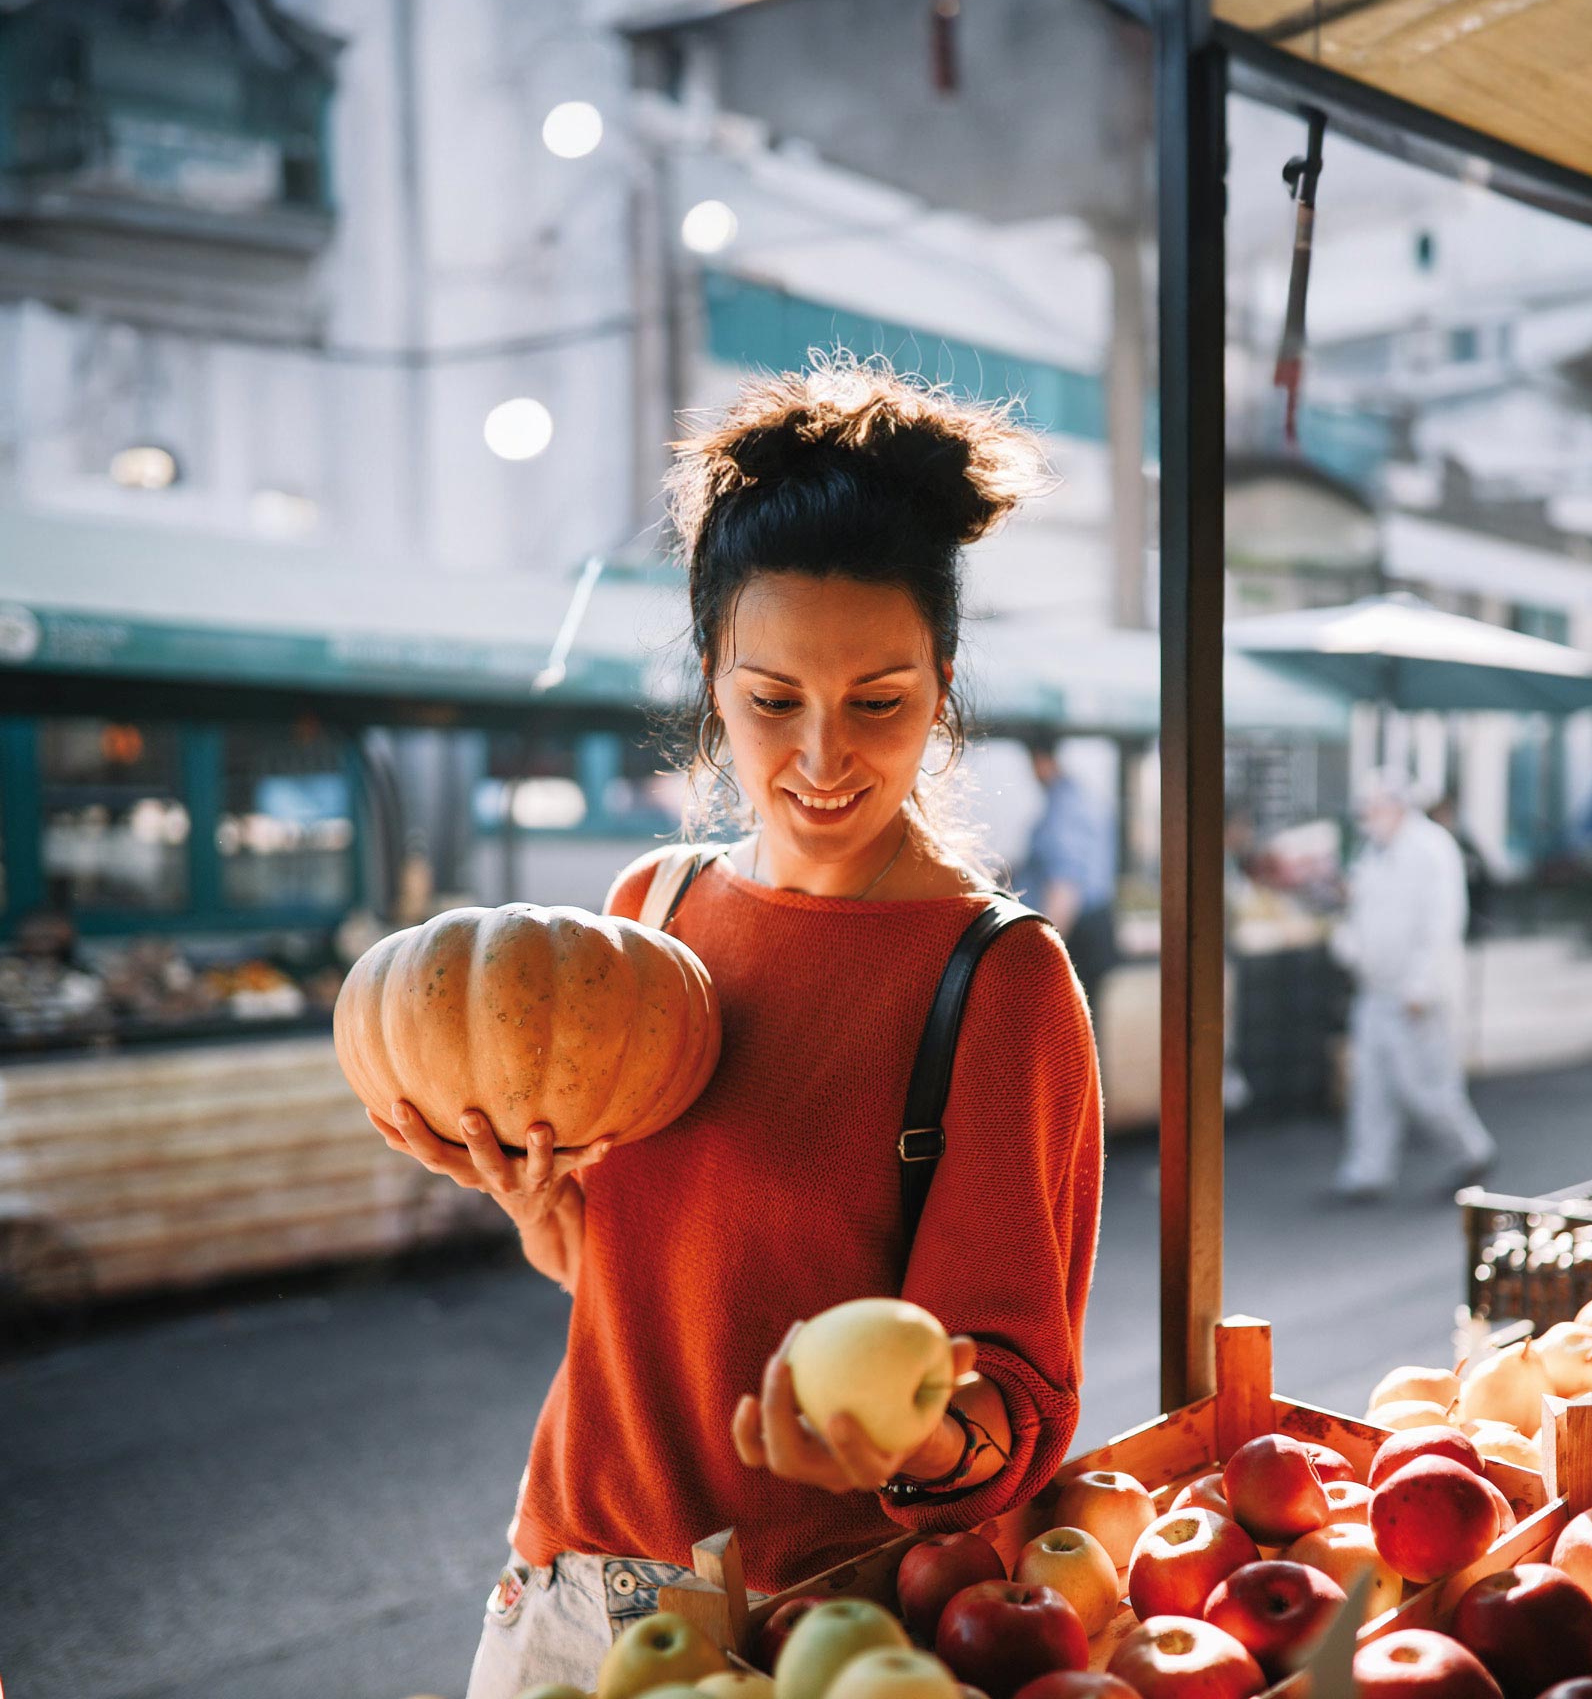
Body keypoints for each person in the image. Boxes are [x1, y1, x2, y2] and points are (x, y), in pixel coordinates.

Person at [367, 363, 1104, 1697]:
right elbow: (638, 1282)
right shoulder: (650, 912)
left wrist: (908, 1444)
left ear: (943, 686)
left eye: (878, 700)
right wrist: (541, 1206)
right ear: (714, 678)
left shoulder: (998, 980)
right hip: (560, 1576)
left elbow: (1018, 1396)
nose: (822, 757)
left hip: (803, 1625)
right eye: (773, 701)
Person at [1331, 770, 1496, 1200]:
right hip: (1375, 989)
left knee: (1426, 1086)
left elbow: (1441, 922)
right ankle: (1367, 1171)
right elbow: (1362, 912)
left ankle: (1471, 1150)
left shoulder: (1430, 849)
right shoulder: (1374, 850)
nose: (1368, 816)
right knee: (1370, 1086)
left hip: (1415, 993)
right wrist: (1350, 948)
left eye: (1374, 806)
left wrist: (1422, 985)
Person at [1016, 734, 1120, 1003]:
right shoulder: (1084, 797)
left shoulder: (1062, 808)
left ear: (1039, 761)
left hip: (1075, 932)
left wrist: (1041, 954)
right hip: (1093, 927)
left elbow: (1064, 887)